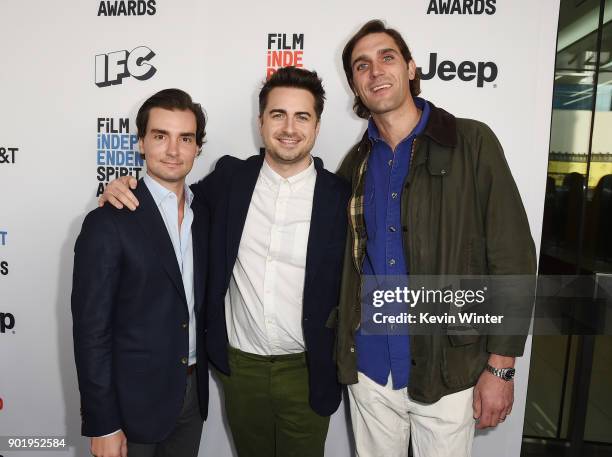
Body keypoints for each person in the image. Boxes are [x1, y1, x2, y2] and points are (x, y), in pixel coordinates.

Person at [99, 67, 350, 457]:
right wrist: (121, 186)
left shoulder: (341, 196)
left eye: (302, 116)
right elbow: (169, 196)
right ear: (261, 121)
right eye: (278, 114)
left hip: (307, 369)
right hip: (240, 368)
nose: (289, 127)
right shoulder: (229, 180)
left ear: (317, 126)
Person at [335, 20, 537, 457]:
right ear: (354, 83)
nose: (375, 71)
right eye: (361, 65)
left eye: (387, 57)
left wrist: (501, 367)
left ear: (410, 68)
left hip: (448, 369)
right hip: (371, 371)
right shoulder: (355, 164)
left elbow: (513, 256)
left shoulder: (471, 142)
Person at [72, 88, 209, 457]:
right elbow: (91, 330)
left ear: (198, 147)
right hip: (130, 407)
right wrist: (103, 421)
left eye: (185, 138)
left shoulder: (205, 214)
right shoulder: (108, 222)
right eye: (160, 136)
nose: (173, 150)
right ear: (141, 143)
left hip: (192, 398)